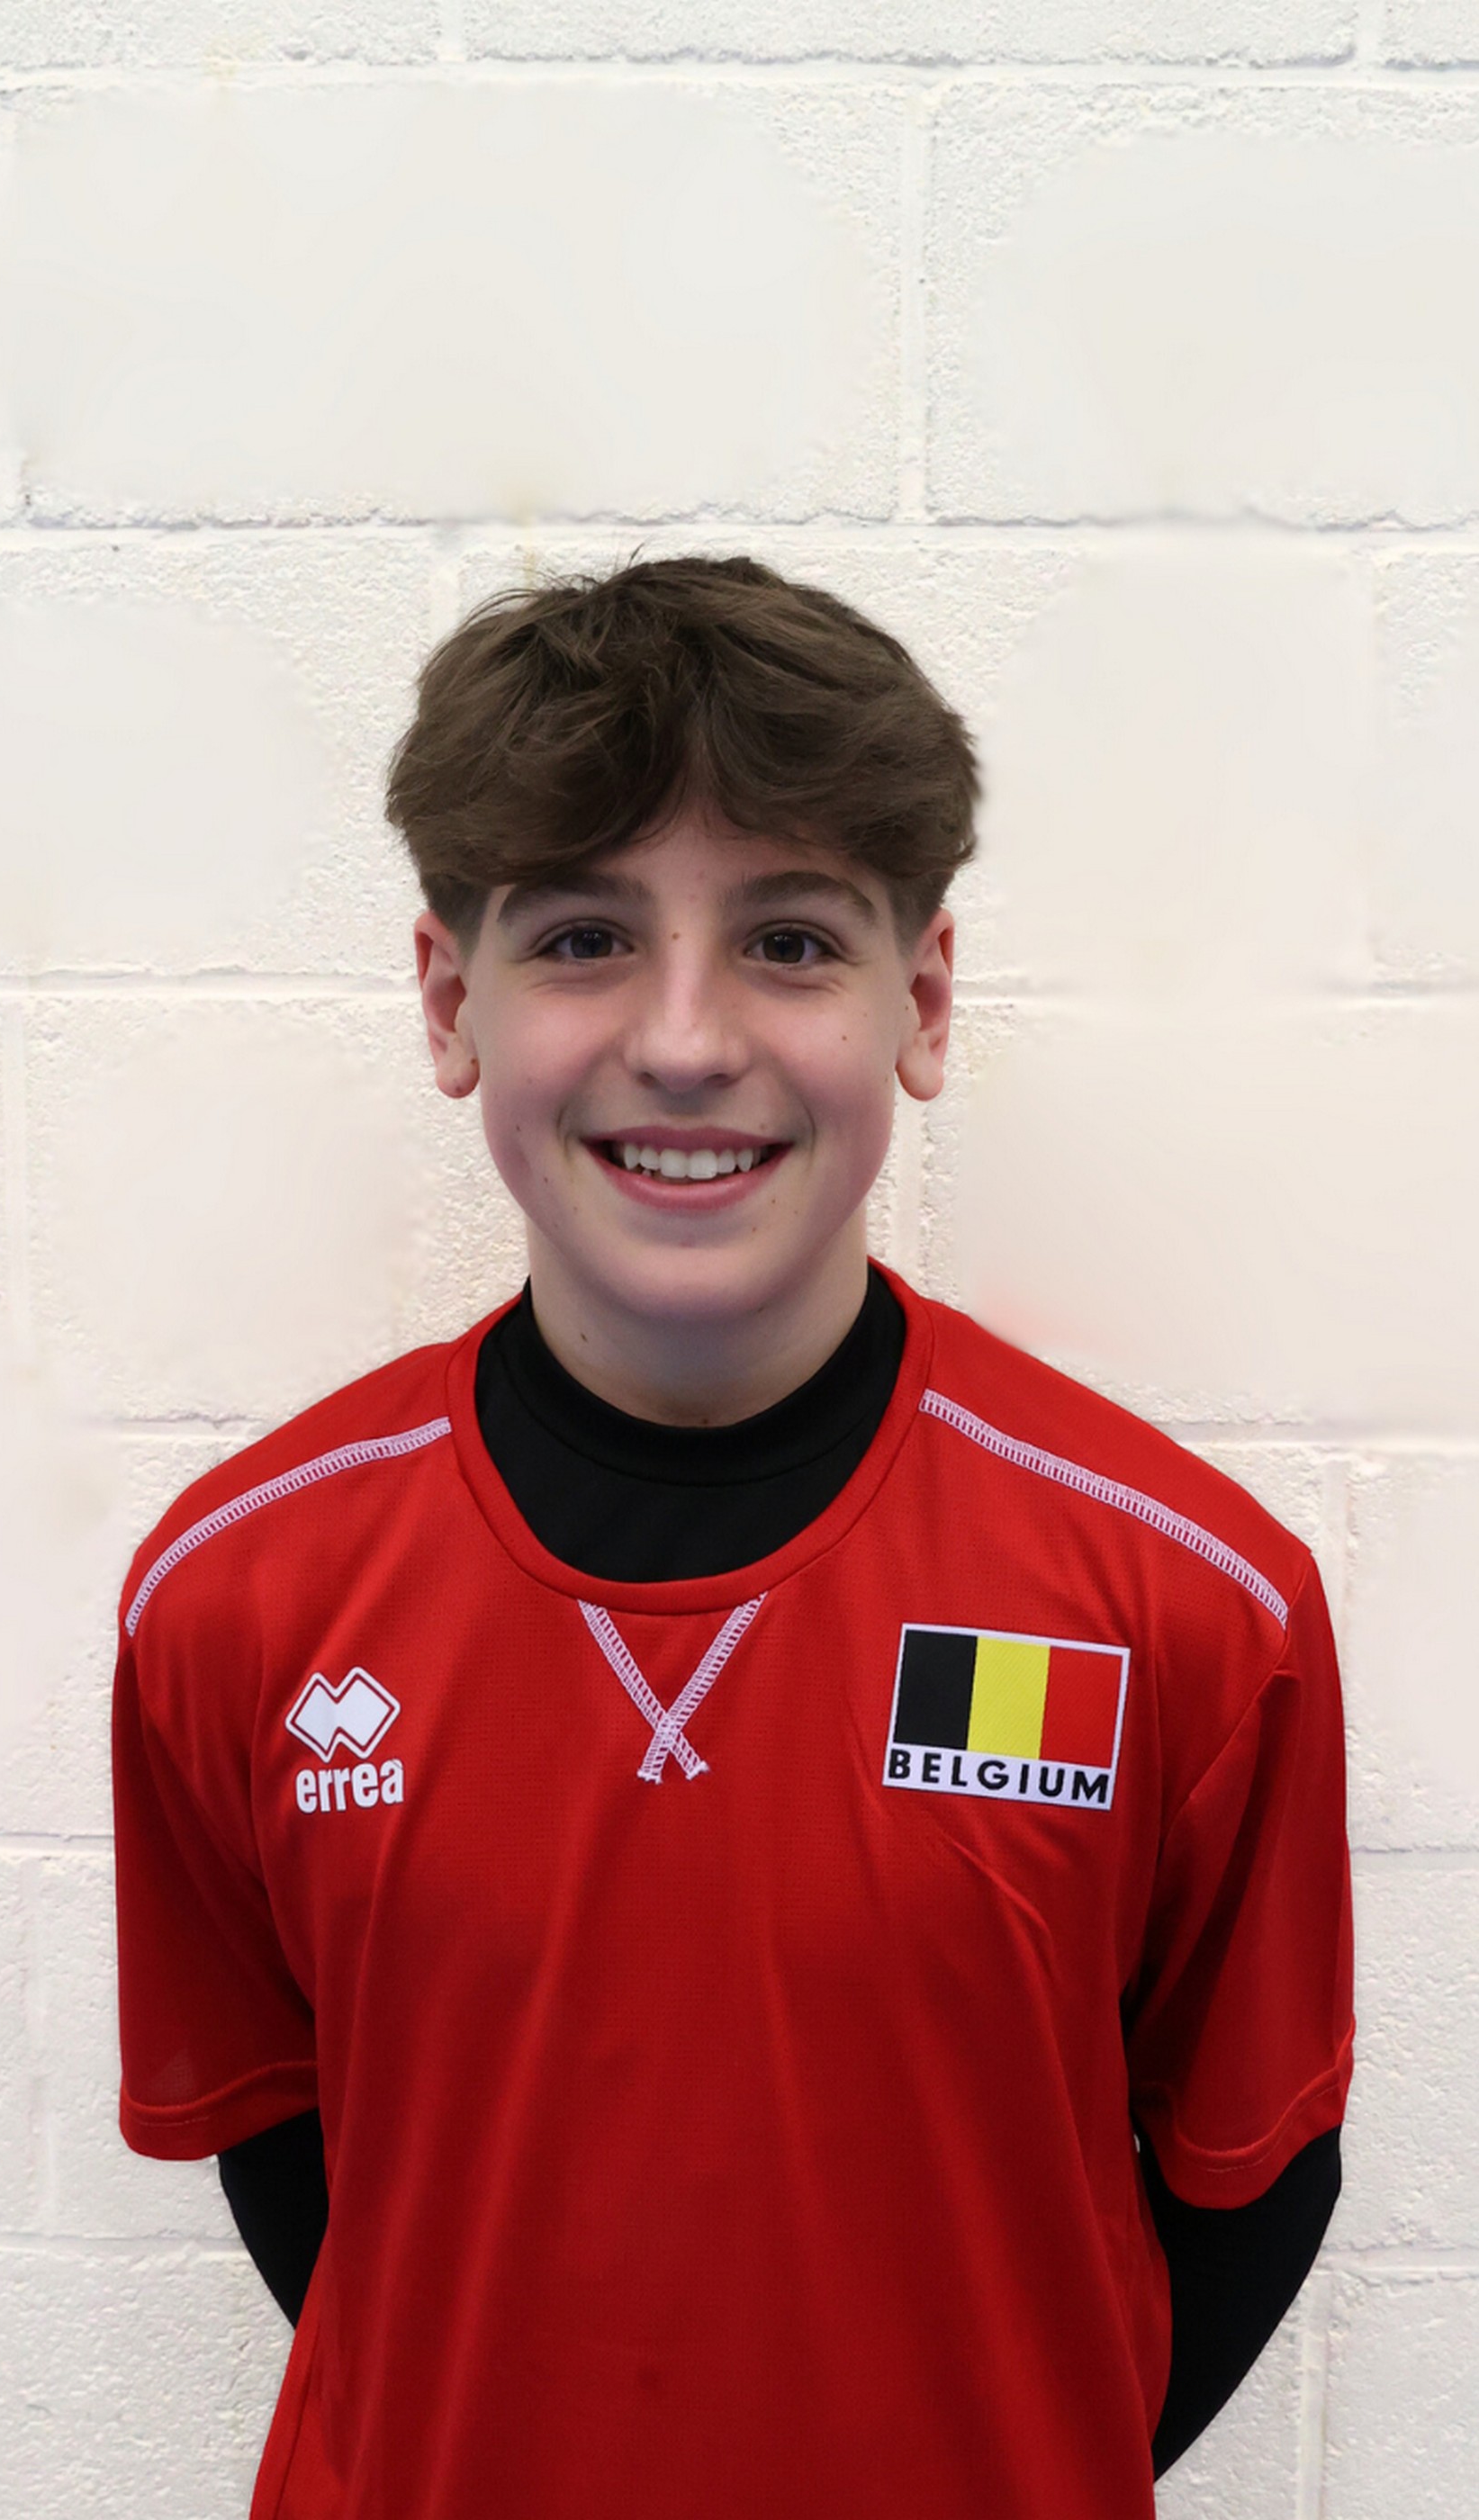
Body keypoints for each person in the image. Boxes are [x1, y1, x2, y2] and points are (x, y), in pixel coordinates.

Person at [113, 554, 1353, 2520]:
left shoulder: (1188, 1605)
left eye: (787, 940)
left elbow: (1253, 2177)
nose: (686, 1040)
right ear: (450, 1000)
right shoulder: (240, 1596)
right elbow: (296, 2153)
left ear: (917, 1004)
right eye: (585, 937)